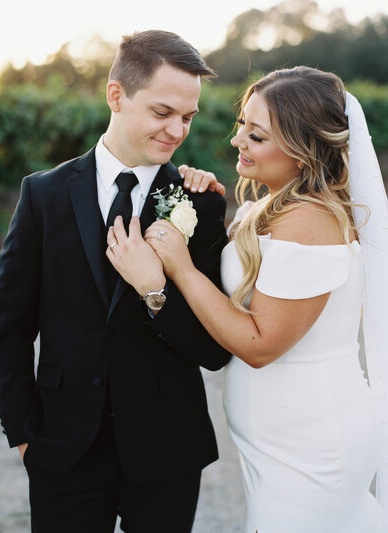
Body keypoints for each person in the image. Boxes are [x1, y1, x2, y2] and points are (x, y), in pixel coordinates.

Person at [108, 66, 388, 532]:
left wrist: (178, 266)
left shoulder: (310, 221)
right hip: (280, 445)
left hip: (311, 444)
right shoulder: (272, 205)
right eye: (243, 126)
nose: (238, 141)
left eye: (256, 136)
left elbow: (260, 343)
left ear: (303, 150)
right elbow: (237, 291)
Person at [0, 30, 231, 533]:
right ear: (116, 95)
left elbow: (214, 350)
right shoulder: (43, 195)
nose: (176, 131)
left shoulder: (200, 202)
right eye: (162, 112)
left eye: (187, 117)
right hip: (62, 449)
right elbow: (7, 328)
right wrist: (25, 433)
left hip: (168, 452)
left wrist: (154, 292)